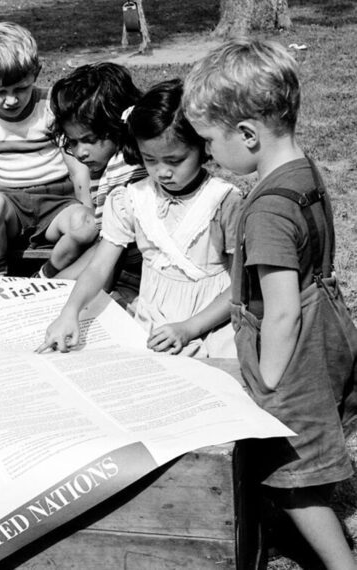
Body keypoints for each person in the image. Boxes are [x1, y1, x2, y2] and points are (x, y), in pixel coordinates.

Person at [184, 38, 357, 570]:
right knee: (294, 458)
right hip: (324, 324)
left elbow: (281, 308)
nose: (209, 155)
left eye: (210, 142)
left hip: (292, 350)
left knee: (294, 474)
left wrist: (269, 383)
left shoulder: (265, 210)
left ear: (247, 135)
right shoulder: (302, 173)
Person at [37, 78, 241, 358]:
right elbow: (98, 268)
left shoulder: (222, 202)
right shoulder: (131, 199)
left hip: (213, 324)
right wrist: (69, 312)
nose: (162, 172)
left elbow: (241, 283)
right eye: (151, 160)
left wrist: (189, 328)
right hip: (151, 321)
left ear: (202, 147)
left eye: (175, 160)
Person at [0, 21, 93, 276]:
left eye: (21, 88)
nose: (11, 100)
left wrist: (87, 207)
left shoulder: (51, 105)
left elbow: (77, 167)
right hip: (10, 204)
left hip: (57, 202)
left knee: (84, 224)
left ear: (35, 73)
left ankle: (48, 273)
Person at [42, 62, 148, 300]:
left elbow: (109, 257)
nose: (80, 153)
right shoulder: (105, 164)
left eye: (88, 139)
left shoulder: (125, 171)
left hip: (138, 275)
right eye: (73, 142)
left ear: (116, 126)